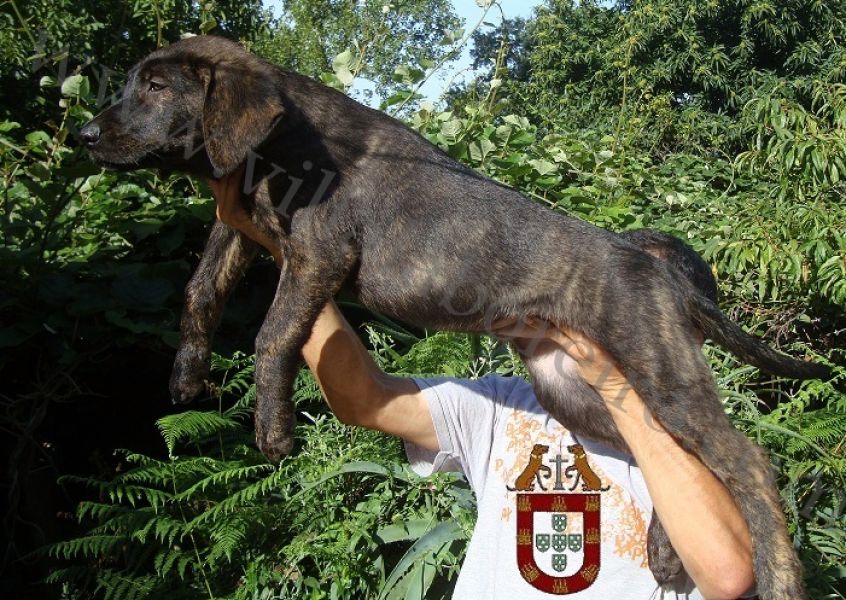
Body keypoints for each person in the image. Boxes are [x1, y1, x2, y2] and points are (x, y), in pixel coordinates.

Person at [206, 173, 756, 599]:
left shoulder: (708, 448)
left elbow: (726, 577)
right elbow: (363, 399)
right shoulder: (506, 406)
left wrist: (618, 389)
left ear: (687, 336)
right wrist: (289, 249)